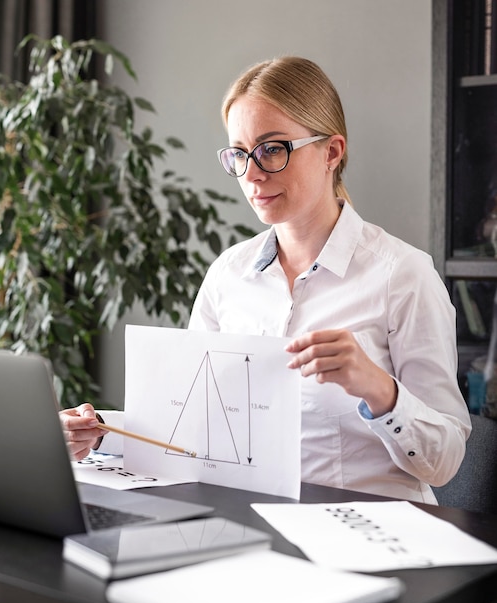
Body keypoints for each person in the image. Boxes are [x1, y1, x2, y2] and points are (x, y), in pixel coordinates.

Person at [60, 56, 470, 503]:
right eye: (239, 153)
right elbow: (193, 428)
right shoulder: (228, 276)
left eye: (272, 149)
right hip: (249, 527)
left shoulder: (403, 276)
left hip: (364, 536)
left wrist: (378, 388)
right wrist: (100, 431)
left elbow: (445, 463)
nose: (252, 174)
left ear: (331, 152)